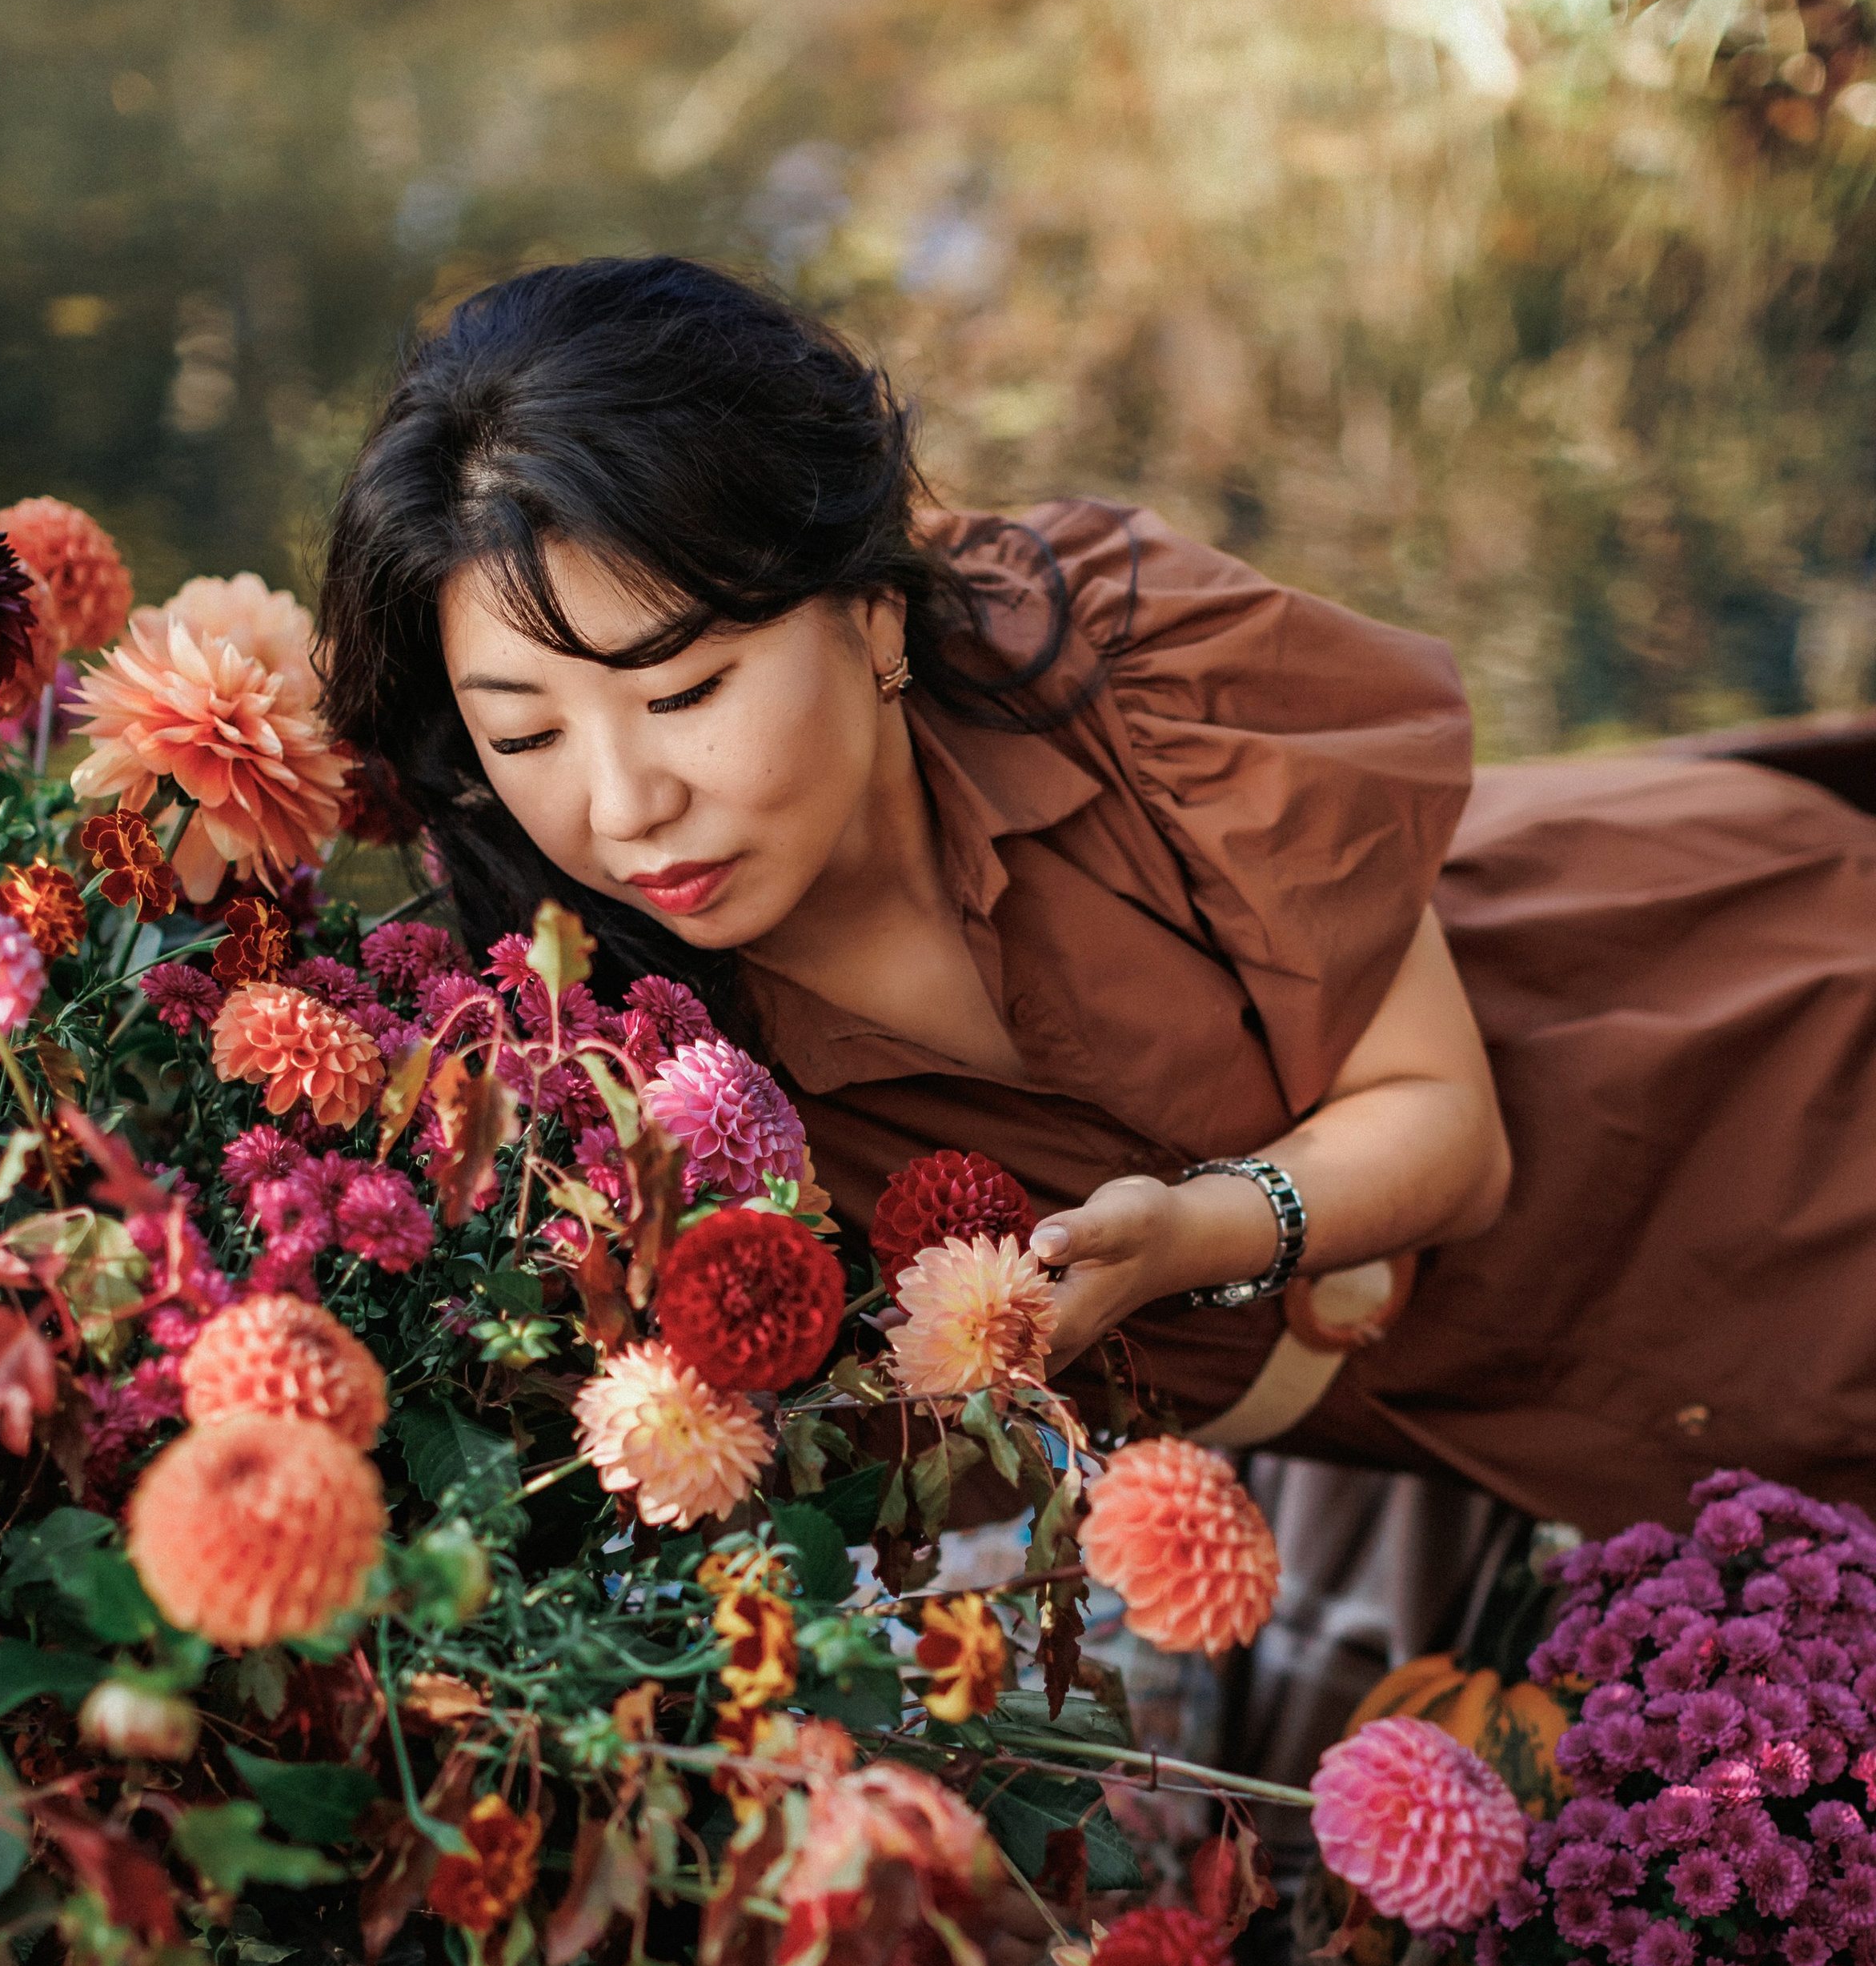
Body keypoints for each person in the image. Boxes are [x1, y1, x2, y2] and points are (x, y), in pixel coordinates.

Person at [319, 255, 1876, 1541]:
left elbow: (1440, 1132)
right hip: (1560, 1409)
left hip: (1724, 1050)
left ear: (870, 612)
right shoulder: (591, 1055)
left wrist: (1194, 1232)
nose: (621, 804)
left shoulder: (1109, 656)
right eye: (522, 733)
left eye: (683, 687)